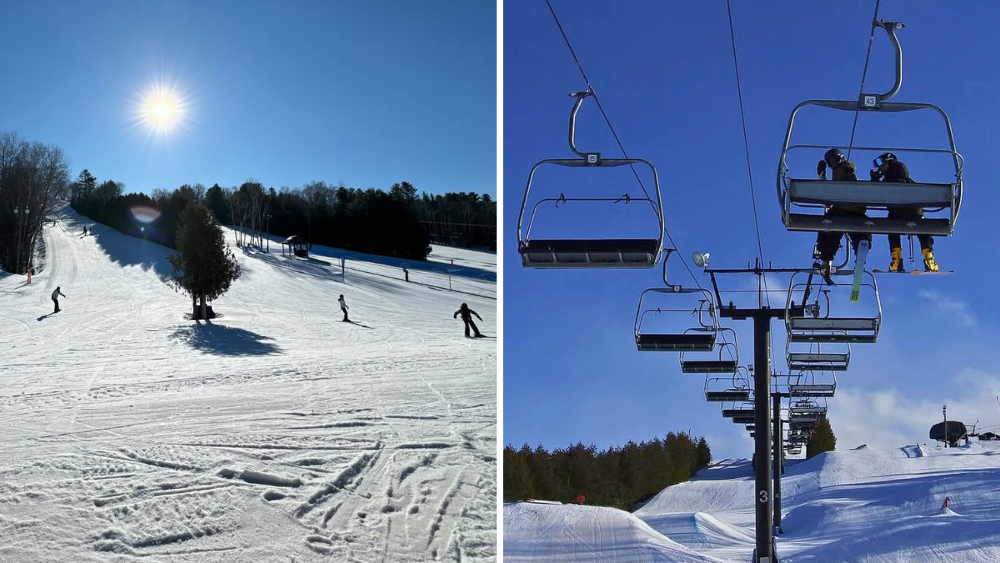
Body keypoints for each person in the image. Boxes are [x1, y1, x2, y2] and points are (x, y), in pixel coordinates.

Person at [869, 152, 939, 272]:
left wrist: (875, 180)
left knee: (892, 229)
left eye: (881, 164)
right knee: (922, 230)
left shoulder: (892, 179)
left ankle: (897, 261)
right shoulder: (902, 180)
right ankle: (929, 260)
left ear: (889, 162)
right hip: (914, 213)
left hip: (900, 214)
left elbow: (876, 193)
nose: (879, 168)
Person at [814, 148, 873, 279]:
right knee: (860, 230)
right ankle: (861, 249)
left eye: (833, 160)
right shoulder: (848, 171)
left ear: (840, 158)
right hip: (856, 212)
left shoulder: (840, 172)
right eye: (830, 162)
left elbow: (828, 196)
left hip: (840, 211)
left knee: (829, 231)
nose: (832, 163)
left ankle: (826, 260)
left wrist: (821, 178)